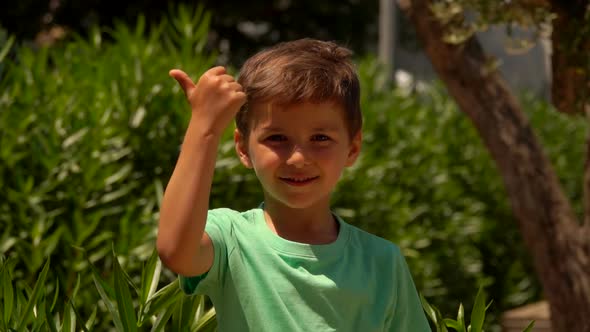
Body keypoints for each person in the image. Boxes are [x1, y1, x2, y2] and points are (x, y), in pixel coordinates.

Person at [157, 38, 431, 331]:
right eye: (276, 138)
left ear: (352, 148)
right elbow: (176, 251)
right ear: (242, 148)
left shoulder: (382, 263)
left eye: (320, 139)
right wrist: (204, 128)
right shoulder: (231, 239)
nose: (298, 158)